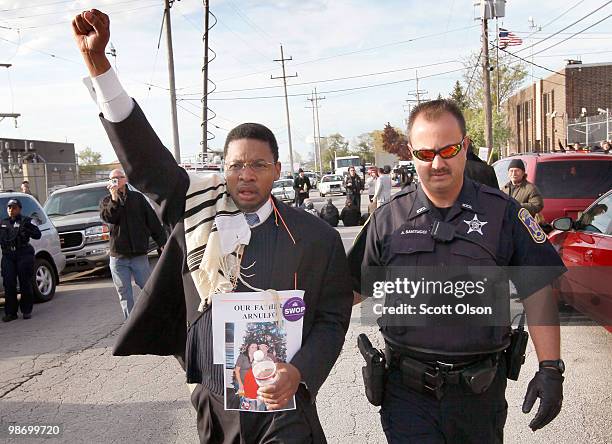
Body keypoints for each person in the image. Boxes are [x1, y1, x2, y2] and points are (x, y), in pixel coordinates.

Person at [73, 9, 353, 443]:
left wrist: (300, 372)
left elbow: (333, 318)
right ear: (222, 169)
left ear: (277, 170)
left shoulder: (317, 237)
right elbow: (145, 158)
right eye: (236, 165)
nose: (246, 174)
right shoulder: (194, 209)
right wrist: (100, 67)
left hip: (286, 405)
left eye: (258, 165)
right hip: (215, 404)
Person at [348, 99, 566, 443]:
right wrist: (286, 309)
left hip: (478, 396)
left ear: (464, 147)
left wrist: (551, 368)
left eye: (448, 150)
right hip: (407, 395)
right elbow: (353, 290)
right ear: (411, 153)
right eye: (424, 153)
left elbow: (537, 291)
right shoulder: (387, 218)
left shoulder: (503, 214)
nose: (437, 163)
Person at [99, 169, 167, 320]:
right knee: (125, 294)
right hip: (118, 256)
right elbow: (110, 218)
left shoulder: (138, 198)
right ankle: (130, 325)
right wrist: (114, 198)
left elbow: (152, 222)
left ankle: (155, 319)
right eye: (112, 179)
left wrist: (162, 242)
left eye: (119, 177)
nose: (116, 180)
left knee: (148, 289)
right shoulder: (106, 201)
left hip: (138, 255)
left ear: (126, 180)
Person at [1, 198, 41, 322]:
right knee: (9, 283)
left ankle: (26, 310)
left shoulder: (26, 221)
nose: (11, 210)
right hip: (8, 255)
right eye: (9, 208)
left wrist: (28, 228)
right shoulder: (3, 222)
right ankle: (11, 313)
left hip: (23, 253)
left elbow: (37, 235)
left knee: (25, 282)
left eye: (14, 207)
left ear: (19, 209)